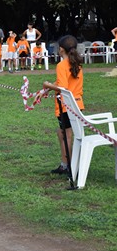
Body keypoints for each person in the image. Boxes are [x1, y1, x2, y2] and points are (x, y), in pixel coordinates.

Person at [36, 35, 83, 175]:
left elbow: (63, 87)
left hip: (67, 106)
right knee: (62, 133)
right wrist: (47, 89)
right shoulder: (77, 63)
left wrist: (46, 84)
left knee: (66, 135)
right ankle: (65, 164)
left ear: (61, 49)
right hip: (77, 105)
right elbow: (64, 83)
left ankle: (68, 166)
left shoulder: (61, 65)